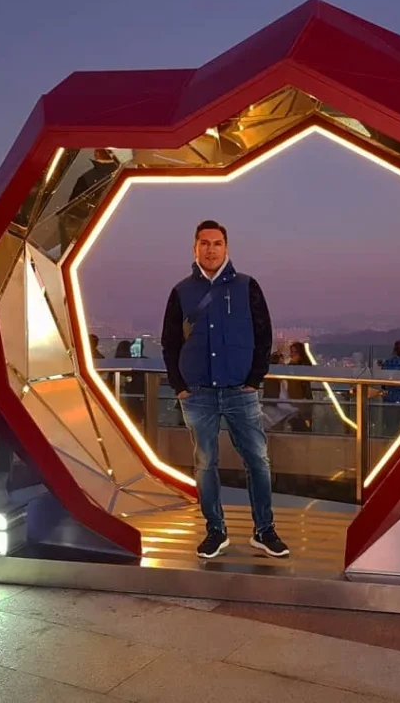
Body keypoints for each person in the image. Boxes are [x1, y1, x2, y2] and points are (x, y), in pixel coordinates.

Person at [161, 220, 288, 559]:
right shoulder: (181, 291)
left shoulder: (247, 287)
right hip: (197, 393)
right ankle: (215, 530)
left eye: (217, 243)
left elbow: (264, 335)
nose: (211, 249)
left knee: (258, 460)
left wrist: (254, 379)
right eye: (204, 243)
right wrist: (179, 386)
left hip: (240, 391)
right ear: (195, 248)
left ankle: (264, 529)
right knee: (205, 463)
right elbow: (170, 342)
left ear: (226, 248)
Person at [287, 342, 315, 433]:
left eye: (295, 352)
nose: (292, 355)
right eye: (291, 352)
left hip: (303, 402)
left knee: (304, 428)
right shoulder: (290, 367)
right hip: (294, 402)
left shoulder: (302, 367)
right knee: (296, 427)